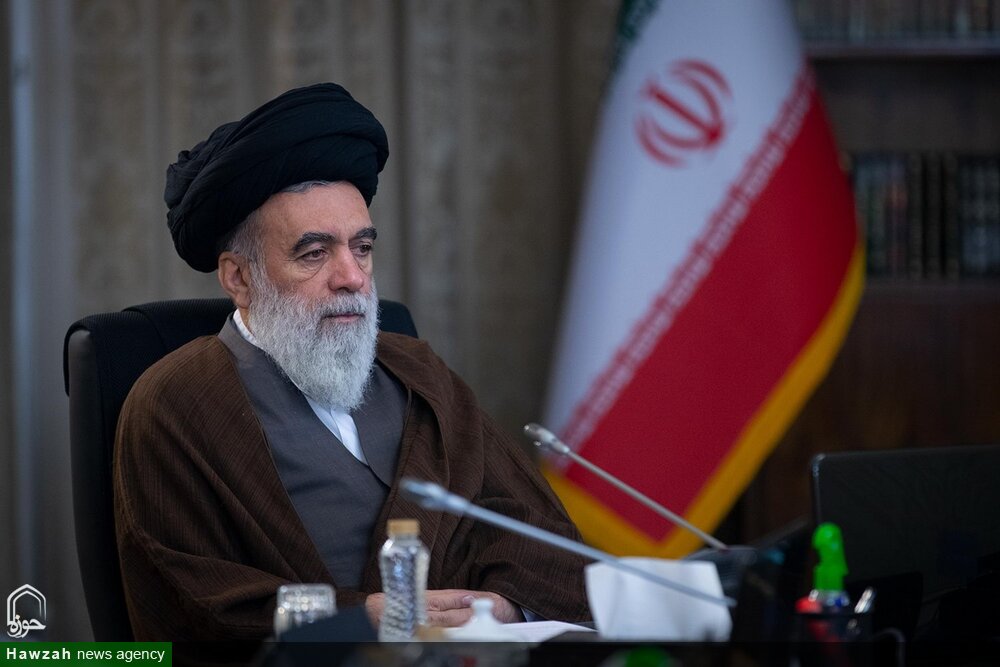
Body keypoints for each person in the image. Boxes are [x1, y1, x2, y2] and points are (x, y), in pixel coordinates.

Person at [113, 82, 591, 642]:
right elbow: (202, 606)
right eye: (314, 253)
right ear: (239, 278)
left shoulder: (420, 375)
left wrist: (505, 607)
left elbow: (541, 537)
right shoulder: (176, 403)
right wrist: (358, 619)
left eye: (361, 248)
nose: (352, 278)